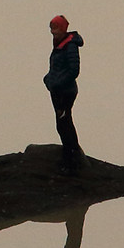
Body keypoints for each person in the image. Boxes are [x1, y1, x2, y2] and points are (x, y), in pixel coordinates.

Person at [44, 14, 84, 172]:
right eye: (51, 29)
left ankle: (72, 158)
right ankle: (71, 156)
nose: (53, 32)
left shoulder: (70, 45)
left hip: (65, 92)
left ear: (63, 29)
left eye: (56, 28)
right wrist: (47, 79)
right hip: (57, 90)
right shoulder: (59, 43)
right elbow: (56, 68)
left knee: (64, 123)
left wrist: (57, 82)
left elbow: (74, 70)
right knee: (62, 124)